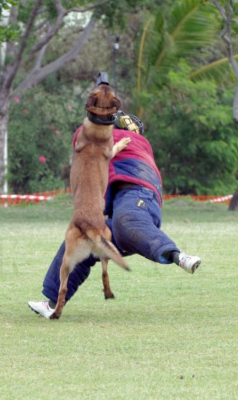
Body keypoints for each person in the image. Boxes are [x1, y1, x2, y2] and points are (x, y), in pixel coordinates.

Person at [28, 75, 202, 319]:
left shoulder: (129, 141)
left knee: (126, 220)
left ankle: (178, 256)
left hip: (137, 193)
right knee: (82, 239)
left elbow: (85, 134)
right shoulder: (116, 141)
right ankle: (52, 302)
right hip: (125, 204)